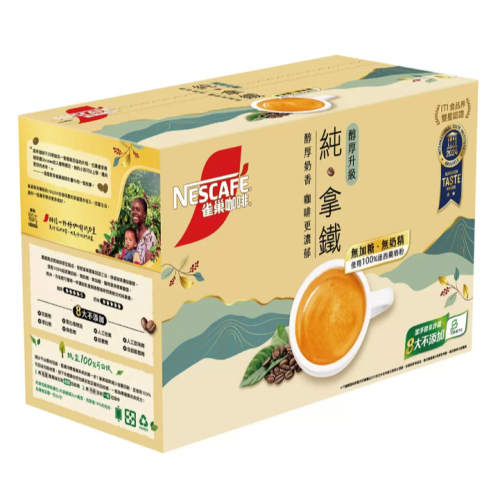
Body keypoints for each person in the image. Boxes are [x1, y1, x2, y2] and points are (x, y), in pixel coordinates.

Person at [131, 197, 157, 264]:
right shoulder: (134, 233)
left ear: (144, 214)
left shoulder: (150, 236)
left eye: (138, 210)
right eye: (133, 209)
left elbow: (147, 266)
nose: (134, 212)